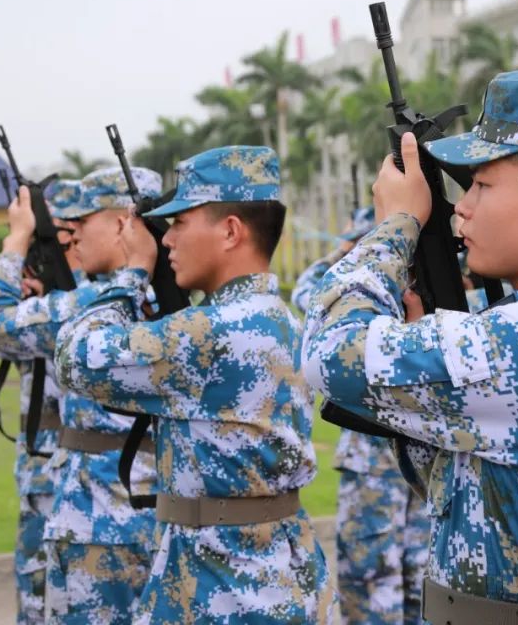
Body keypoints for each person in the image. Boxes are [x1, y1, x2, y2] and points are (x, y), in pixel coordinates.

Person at [303, 68, 518, 624]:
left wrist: (395, 225)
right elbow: (458, 490)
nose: (462, 207)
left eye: (483, 186)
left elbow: (328, 354)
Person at [56, 146, 335, 624]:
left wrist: (132, 273)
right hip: (270, 570)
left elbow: (75, 356)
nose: (166, 239)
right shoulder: (280, 318)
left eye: (180, 222)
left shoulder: (210, 331)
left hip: (222, 588)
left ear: (230, 231)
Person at [293, 205, 431, 625]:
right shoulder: (429, 293)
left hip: (381, 457)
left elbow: (310, 296)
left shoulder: (366, 298)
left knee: (376, 579)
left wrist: (350, 254)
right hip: (418, 451)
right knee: (413, 576)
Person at [0, 179, 86, 624]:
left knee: (47, 605)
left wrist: (14, 242)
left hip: (67, 483)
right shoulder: (116, 297)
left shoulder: (81, 304)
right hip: (54, 475)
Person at [41, 166, 163, 623]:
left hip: (98, 518)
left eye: (82, 220)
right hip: (165, 518)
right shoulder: (189, 303)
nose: (71, 234)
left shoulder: (89, 306)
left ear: (122, 223)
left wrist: (13, 246)